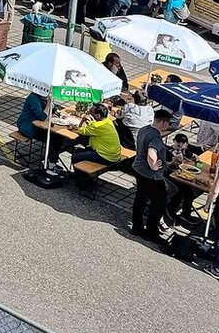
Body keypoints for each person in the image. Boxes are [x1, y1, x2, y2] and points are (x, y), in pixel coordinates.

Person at [130, 108, 173, 240]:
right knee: (159, 203)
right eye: (169, 123)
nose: (169, 126)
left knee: (140, 198)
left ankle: (137, 227)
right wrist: (154, 165)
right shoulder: (156, 136)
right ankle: (151, 231)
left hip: (138, 168)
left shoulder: (144, 129)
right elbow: (151, 152)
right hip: (151, 175)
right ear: (163, 122)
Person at [68, 102, 124, 170]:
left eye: (91, 112)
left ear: (97, 116)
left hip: (106, 157)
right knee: (81, 149)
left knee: (75, 157)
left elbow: (79, 130)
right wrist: (89, 121)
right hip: (113, 155)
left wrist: (82, 120)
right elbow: (94, 126)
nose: (89, 113)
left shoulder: (97, 126)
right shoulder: (107, 121)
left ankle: (81, 179)